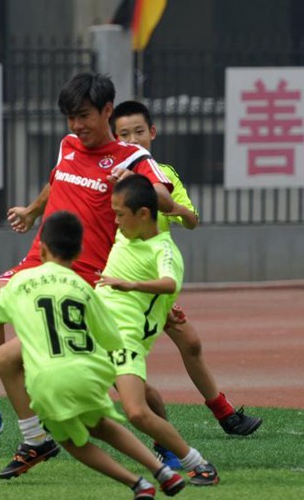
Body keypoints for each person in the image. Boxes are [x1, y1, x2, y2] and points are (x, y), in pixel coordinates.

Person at [0, 73, 185, 479]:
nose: (76, 126)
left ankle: (165, 440)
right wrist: (33, 210)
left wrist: (135, 183)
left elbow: (164, 200)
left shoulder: (132, 159)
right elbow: (57, 180)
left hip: (90, 278)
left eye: (84, 116)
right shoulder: (68, 145)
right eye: (70, 118)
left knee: (119, 377)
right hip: (40, 262)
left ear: (107, 111)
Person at [0, 211, 186, 500]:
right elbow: (109, 336)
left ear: (41, 249)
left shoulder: (23, 282)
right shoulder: (86, 288)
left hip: (50, 381)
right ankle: (163, 471)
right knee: (104, 426)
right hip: (89, 375)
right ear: (79, 251)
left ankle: (137, 482)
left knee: (74, 442)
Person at [110, 100, 262, 468]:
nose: (133, 139)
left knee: (189, 343)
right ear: (115, 138)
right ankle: (173, 435)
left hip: (155, 281)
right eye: (124, 134)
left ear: (153, 132)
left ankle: (222, 415)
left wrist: (170, 206)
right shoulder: (114, 175)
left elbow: (191, 219)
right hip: (124, 282)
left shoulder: (163, 175)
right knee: (120, 367)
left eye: (139, 132)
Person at [96, 175, 219, 486]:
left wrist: (130, 285)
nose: (115, 219)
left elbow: (170, 283)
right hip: (96, 328)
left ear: (143, 215)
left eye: (120, 213)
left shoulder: (163, 249)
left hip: (126, 336)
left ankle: (199, 464)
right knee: (14, 356)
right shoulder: (125, 235)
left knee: (135, 411)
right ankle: (36, 436)